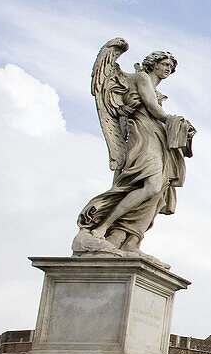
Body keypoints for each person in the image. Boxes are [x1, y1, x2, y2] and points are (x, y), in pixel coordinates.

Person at [78, 45, 196, 254]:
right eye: (165, 64)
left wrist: (181, 129)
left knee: (158, 189)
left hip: (158, 136)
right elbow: (151, 106)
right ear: (154, 63)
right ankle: (103, 227)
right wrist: (174, 120)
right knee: (150, 185)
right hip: (143, 135)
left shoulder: (156, 88)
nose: (168, 69)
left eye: (171, 66)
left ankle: (131, 238)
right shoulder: (142, 77)